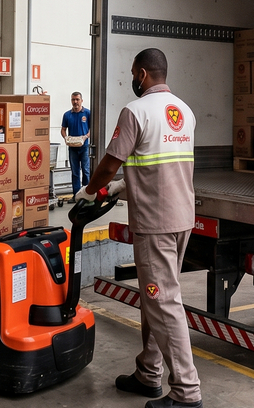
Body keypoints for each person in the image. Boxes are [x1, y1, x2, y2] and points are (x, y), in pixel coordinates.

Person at [80, 48, 201, 408]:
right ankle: (149, 373)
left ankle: (187, 392)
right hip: (182, 219)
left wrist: (90, 191)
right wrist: (123, 187)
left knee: (163, 302)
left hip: (155, 223)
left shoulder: (136, 111)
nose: (132, 79)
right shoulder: (185, 111)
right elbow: (157, 165)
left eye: (133, 73)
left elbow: (110, 164)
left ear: (143, 74)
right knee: (156, 298)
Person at [60, 91, 91, 201]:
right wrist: (66, 138)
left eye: (77, 99)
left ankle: (87, 195)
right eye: (73, 99)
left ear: (82, 100)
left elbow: (92, 128)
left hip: (84, 147)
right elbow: (63, 129)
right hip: (72, 148)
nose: (75, 102)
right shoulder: (67, 115)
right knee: (75, 172)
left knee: (86, 171)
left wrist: (86, 137)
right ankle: (76, 195)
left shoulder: (87, 113)